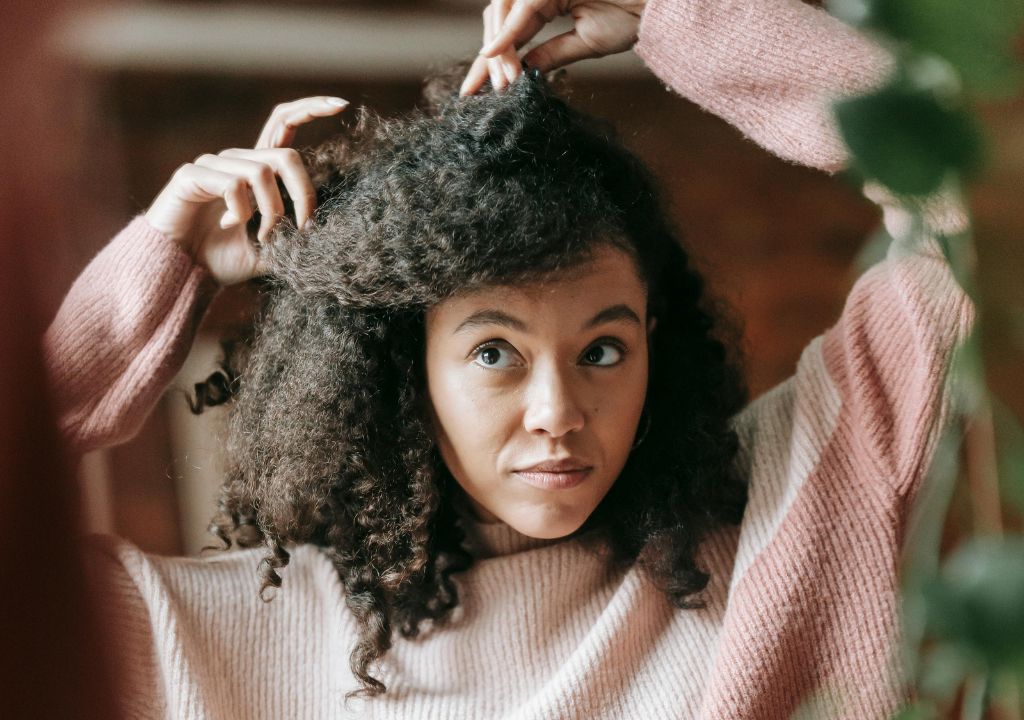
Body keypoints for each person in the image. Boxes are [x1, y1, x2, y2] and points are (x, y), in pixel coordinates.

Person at [43, 0, 974, 717]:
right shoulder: (203, 639)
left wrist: (683, 15)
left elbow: (979, 203)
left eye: (603, 348)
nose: (558, 411)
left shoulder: (792, 516)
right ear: (407, 371)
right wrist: (163, 264)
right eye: (495, 352)